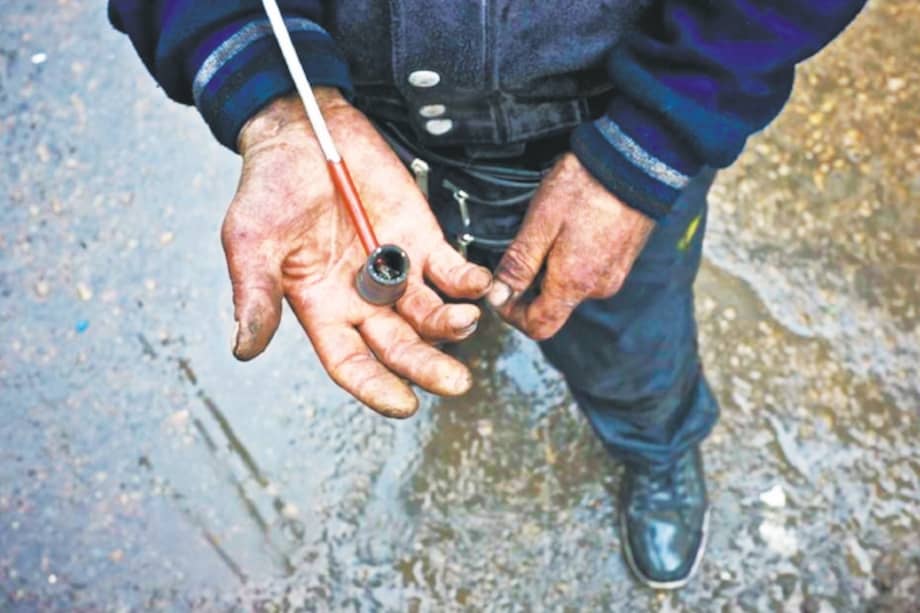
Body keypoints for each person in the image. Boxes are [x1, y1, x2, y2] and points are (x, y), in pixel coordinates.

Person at [109, 0, 866, 589]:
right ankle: (471, 318)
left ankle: (656, 444)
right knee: (428, 298)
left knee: (631, 337)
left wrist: (653, 143)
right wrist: (273, 98)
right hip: (363, 128)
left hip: (609, 126)